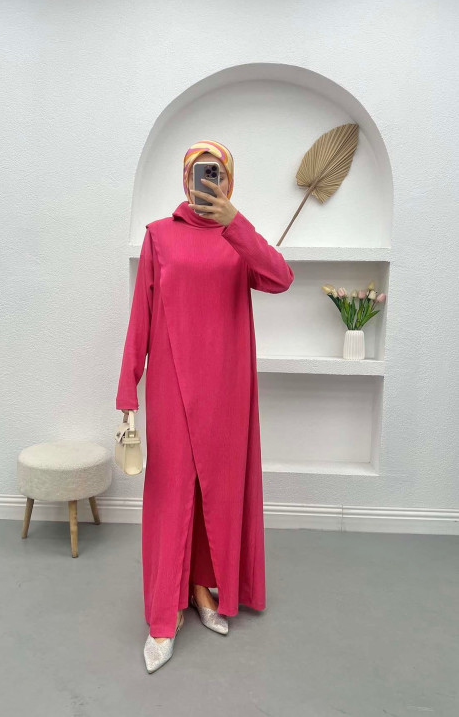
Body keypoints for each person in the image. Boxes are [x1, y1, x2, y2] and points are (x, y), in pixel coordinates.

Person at [116, 140, 294, 673]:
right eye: (198, 173)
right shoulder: (159, 235)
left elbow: (280, 278)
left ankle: (201, 590)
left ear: (229, 181)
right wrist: (127, 391)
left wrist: (235, 222)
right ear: (185, 179)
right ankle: (162, 617)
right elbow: (141, 317)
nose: (205, 182)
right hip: (171, 383)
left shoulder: (239, 238)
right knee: (171, 492)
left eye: (214, 174)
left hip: (226, 386)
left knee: (216, 490)